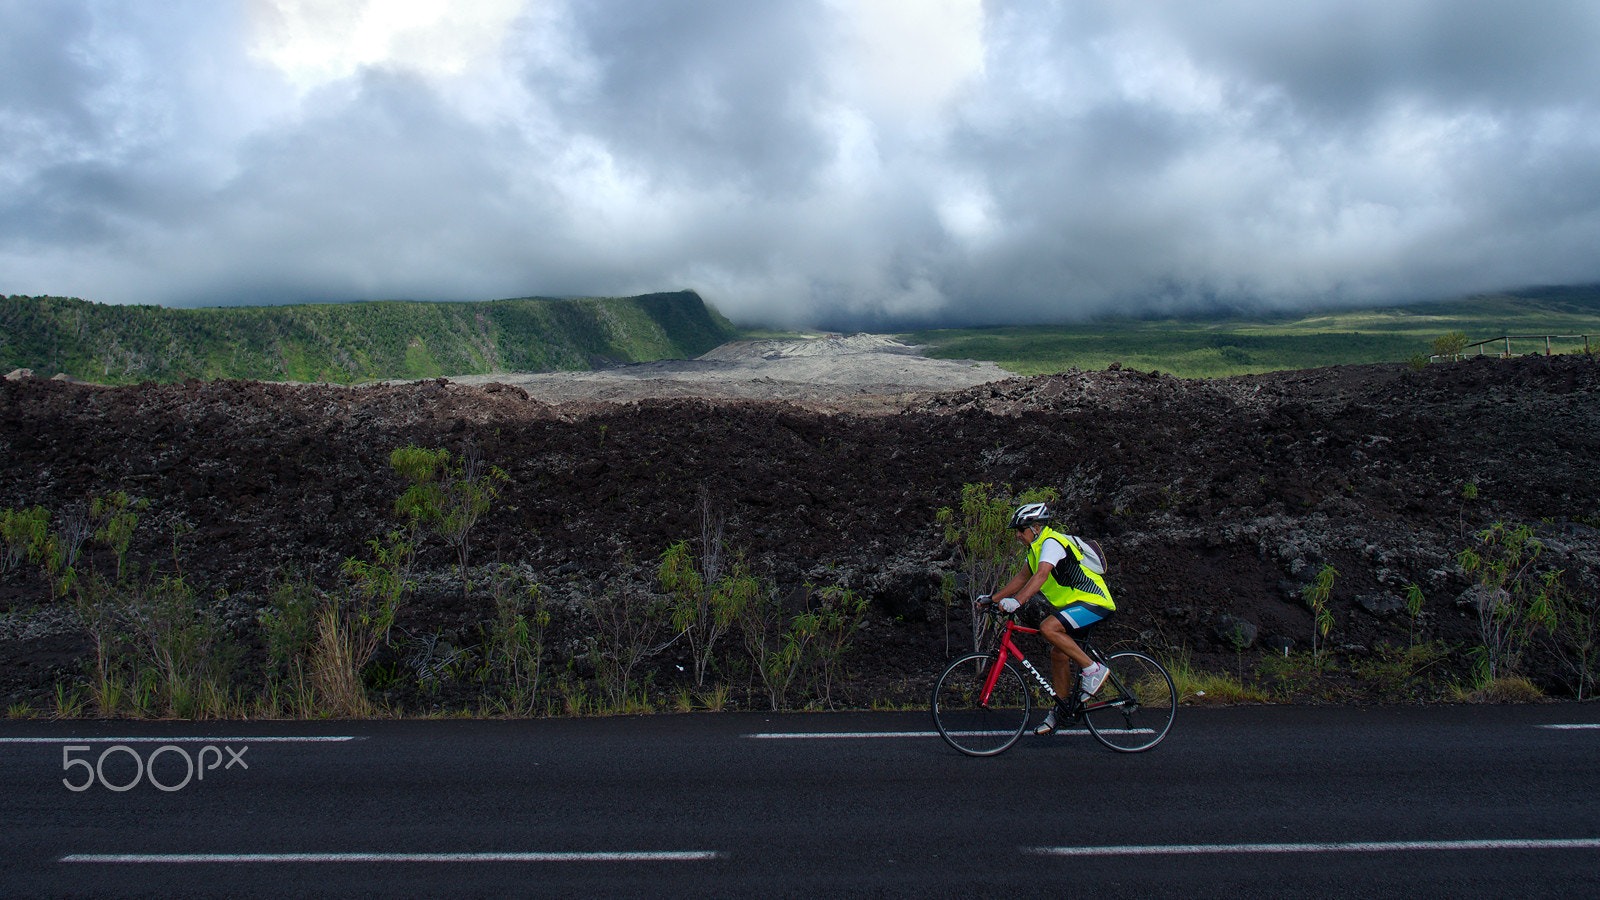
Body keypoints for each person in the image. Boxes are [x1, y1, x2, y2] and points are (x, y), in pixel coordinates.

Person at [986, 502, 1115, 736]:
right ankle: (1062, 710)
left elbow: (1042, 574)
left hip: (1094, 602)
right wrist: (992, 599)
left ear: (1036, 527)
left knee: (1049, 628)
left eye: (1020, 530)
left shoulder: (1051, 543)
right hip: (1075, 606)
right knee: (1058, 652)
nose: (1017, 535)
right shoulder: (1035, 549)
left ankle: (1093, 669)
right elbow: (1022, 578)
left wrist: (1018, 601)